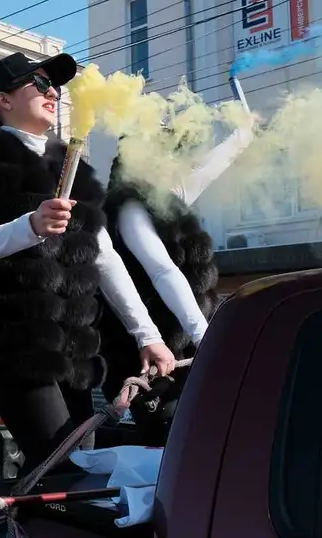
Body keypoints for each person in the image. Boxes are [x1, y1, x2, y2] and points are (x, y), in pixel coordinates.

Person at [0, 51, 176, 472]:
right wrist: (31, 224)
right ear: (4, 100)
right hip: (14, 345)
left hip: (72, 347)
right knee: (61, 467)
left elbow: (106, 259)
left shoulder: (74, 169)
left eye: (56, 86)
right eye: (40, 84)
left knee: (81, 468)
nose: (54, 93)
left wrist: (148, 335)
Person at [98, 120, 254, 444]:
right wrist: (205, 336)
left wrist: (242, 136)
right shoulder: (129, 205)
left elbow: (209, 167)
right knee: (171, 441)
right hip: (153, 359)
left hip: (185, 352)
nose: (176, 158)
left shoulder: (169, 195)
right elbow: (162, 270)